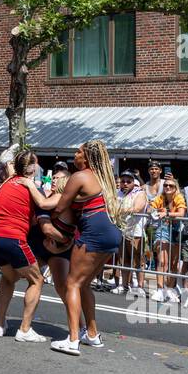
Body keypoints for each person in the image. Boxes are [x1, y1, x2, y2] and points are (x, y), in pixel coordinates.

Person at [50, 140, 123, 355]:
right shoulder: (101, 178)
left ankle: (73, 339)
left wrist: (45, 220)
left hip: (94, 233)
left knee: (71, 283)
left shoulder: (80, 176)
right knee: (84, 284)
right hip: (110, 233)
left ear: (87, 157)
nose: (75, 154)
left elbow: (60, 206)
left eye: (78, 151)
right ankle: (92, 334)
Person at [0, 150, 58, 341]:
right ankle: (24, 330)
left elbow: (9, 166)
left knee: (9, 277)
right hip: (13, 238)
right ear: (33, 169)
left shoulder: (7, 181)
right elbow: (44, 208)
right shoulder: (34, 188)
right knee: (37, 280)